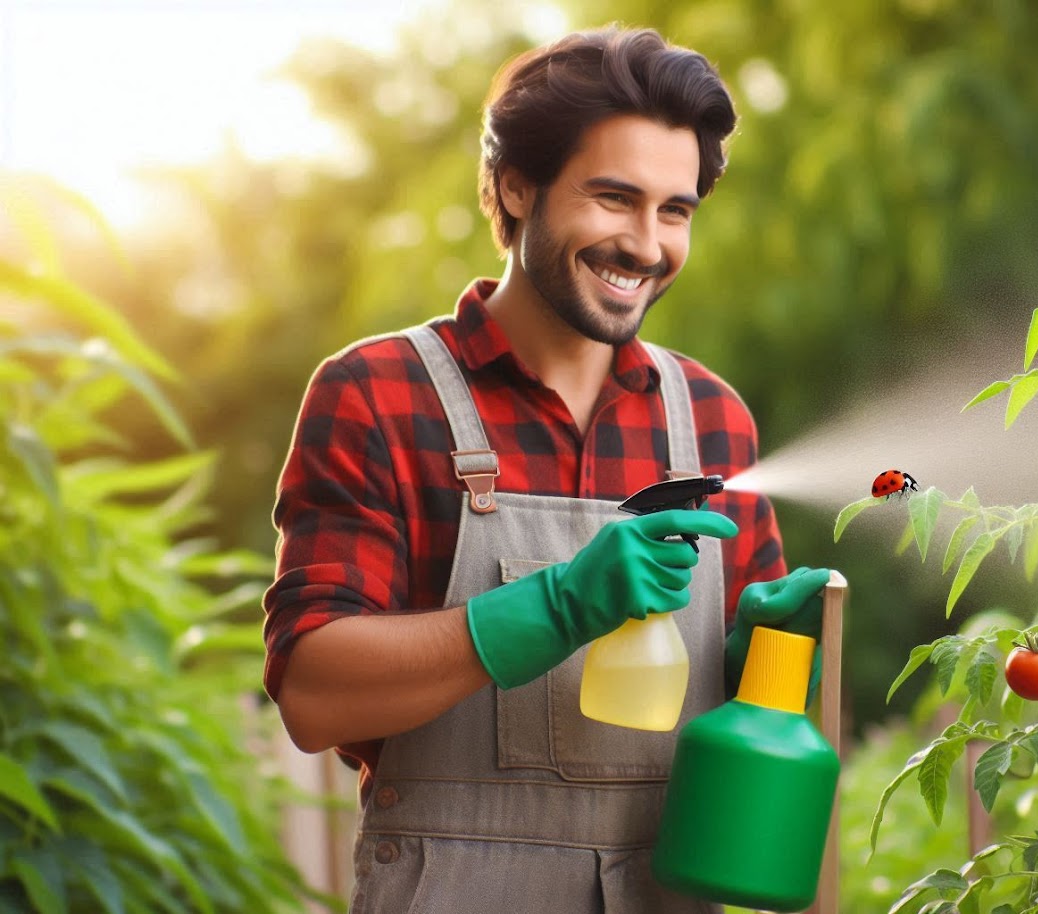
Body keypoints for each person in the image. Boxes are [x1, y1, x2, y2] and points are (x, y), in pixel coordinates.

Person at [262, 27, 831, 913]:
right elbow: (313, 693)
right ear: (515, 186)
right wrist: (559, 604)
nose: (647, 244)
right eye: (614, 198)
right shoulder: (377, 393)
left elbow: (746, 727)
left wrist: (770, 655)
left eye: (674, 210)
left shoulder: (713, 420)